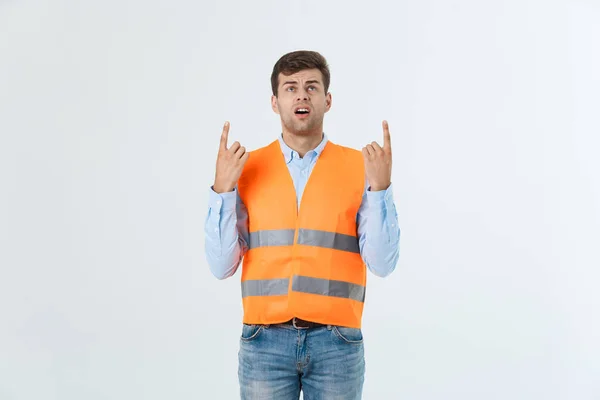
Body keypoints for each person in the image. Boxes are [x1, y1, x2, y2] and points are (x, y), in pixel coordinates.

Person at [204, 50, 401, 399]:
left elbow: (383, 264)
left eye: (311, 87)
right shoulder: (245, 168)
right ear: (275, 102)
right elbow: (221, 266)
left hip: (337, 343)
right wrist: (222, 190)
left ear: (327, 100)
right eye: (290, 88)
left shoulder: (361, 168)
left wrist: (380, 189)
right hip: (263, 342)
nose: (301, 95)